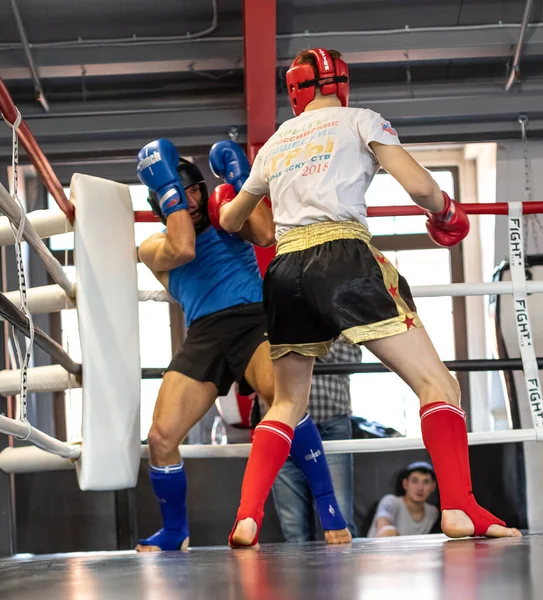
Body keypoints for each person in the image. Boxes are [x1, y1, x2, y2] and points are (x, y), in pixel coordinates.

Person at [213, 48, 522, 546]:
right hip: (344, 260)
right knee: (438, 386)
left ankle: (246, 516)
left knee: (287, 402)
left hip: (286, 270)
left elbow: (231, 221)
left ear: (295, 89)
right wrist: (446, 212)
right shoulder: (361, 120)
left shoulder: (274, 144)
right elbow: (420, 187)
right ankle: (461, 509)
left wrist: (226, 196)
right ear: (341, 84)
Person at [134, 138, 351, 551]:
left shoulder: (225, 217)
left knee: (282, 399)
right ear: (160, 200)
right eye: (180, 193)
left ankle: (328, 506)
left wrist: (242, 181)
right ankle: (175, 530)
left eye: (194, 189)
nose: (192, 200)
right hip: (203, 334)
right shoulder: (151, 246)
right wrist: (170, 192)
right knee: (161, 438)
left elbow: (268, 234)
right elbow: (183, 247)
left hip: (253, 320)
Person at [271, 338, 361, 541]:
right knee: (294, 530)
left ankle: (344, 573)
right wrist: (316, 343)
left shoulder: (333, 311)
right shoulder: (269, 311)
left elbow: (351, 358)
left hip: (330, 424)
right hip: (284, 427)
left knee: (341, 520)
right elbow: (258, 362)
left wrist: (296, 345)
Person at [367, 461, 439, 537]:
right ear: (405, 484)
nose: (420, 488)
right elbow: (384, 530)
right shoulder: (390, 501)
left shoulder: (432, 512)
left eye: (426, 482)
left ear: (433, 486)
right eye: (414, 481)